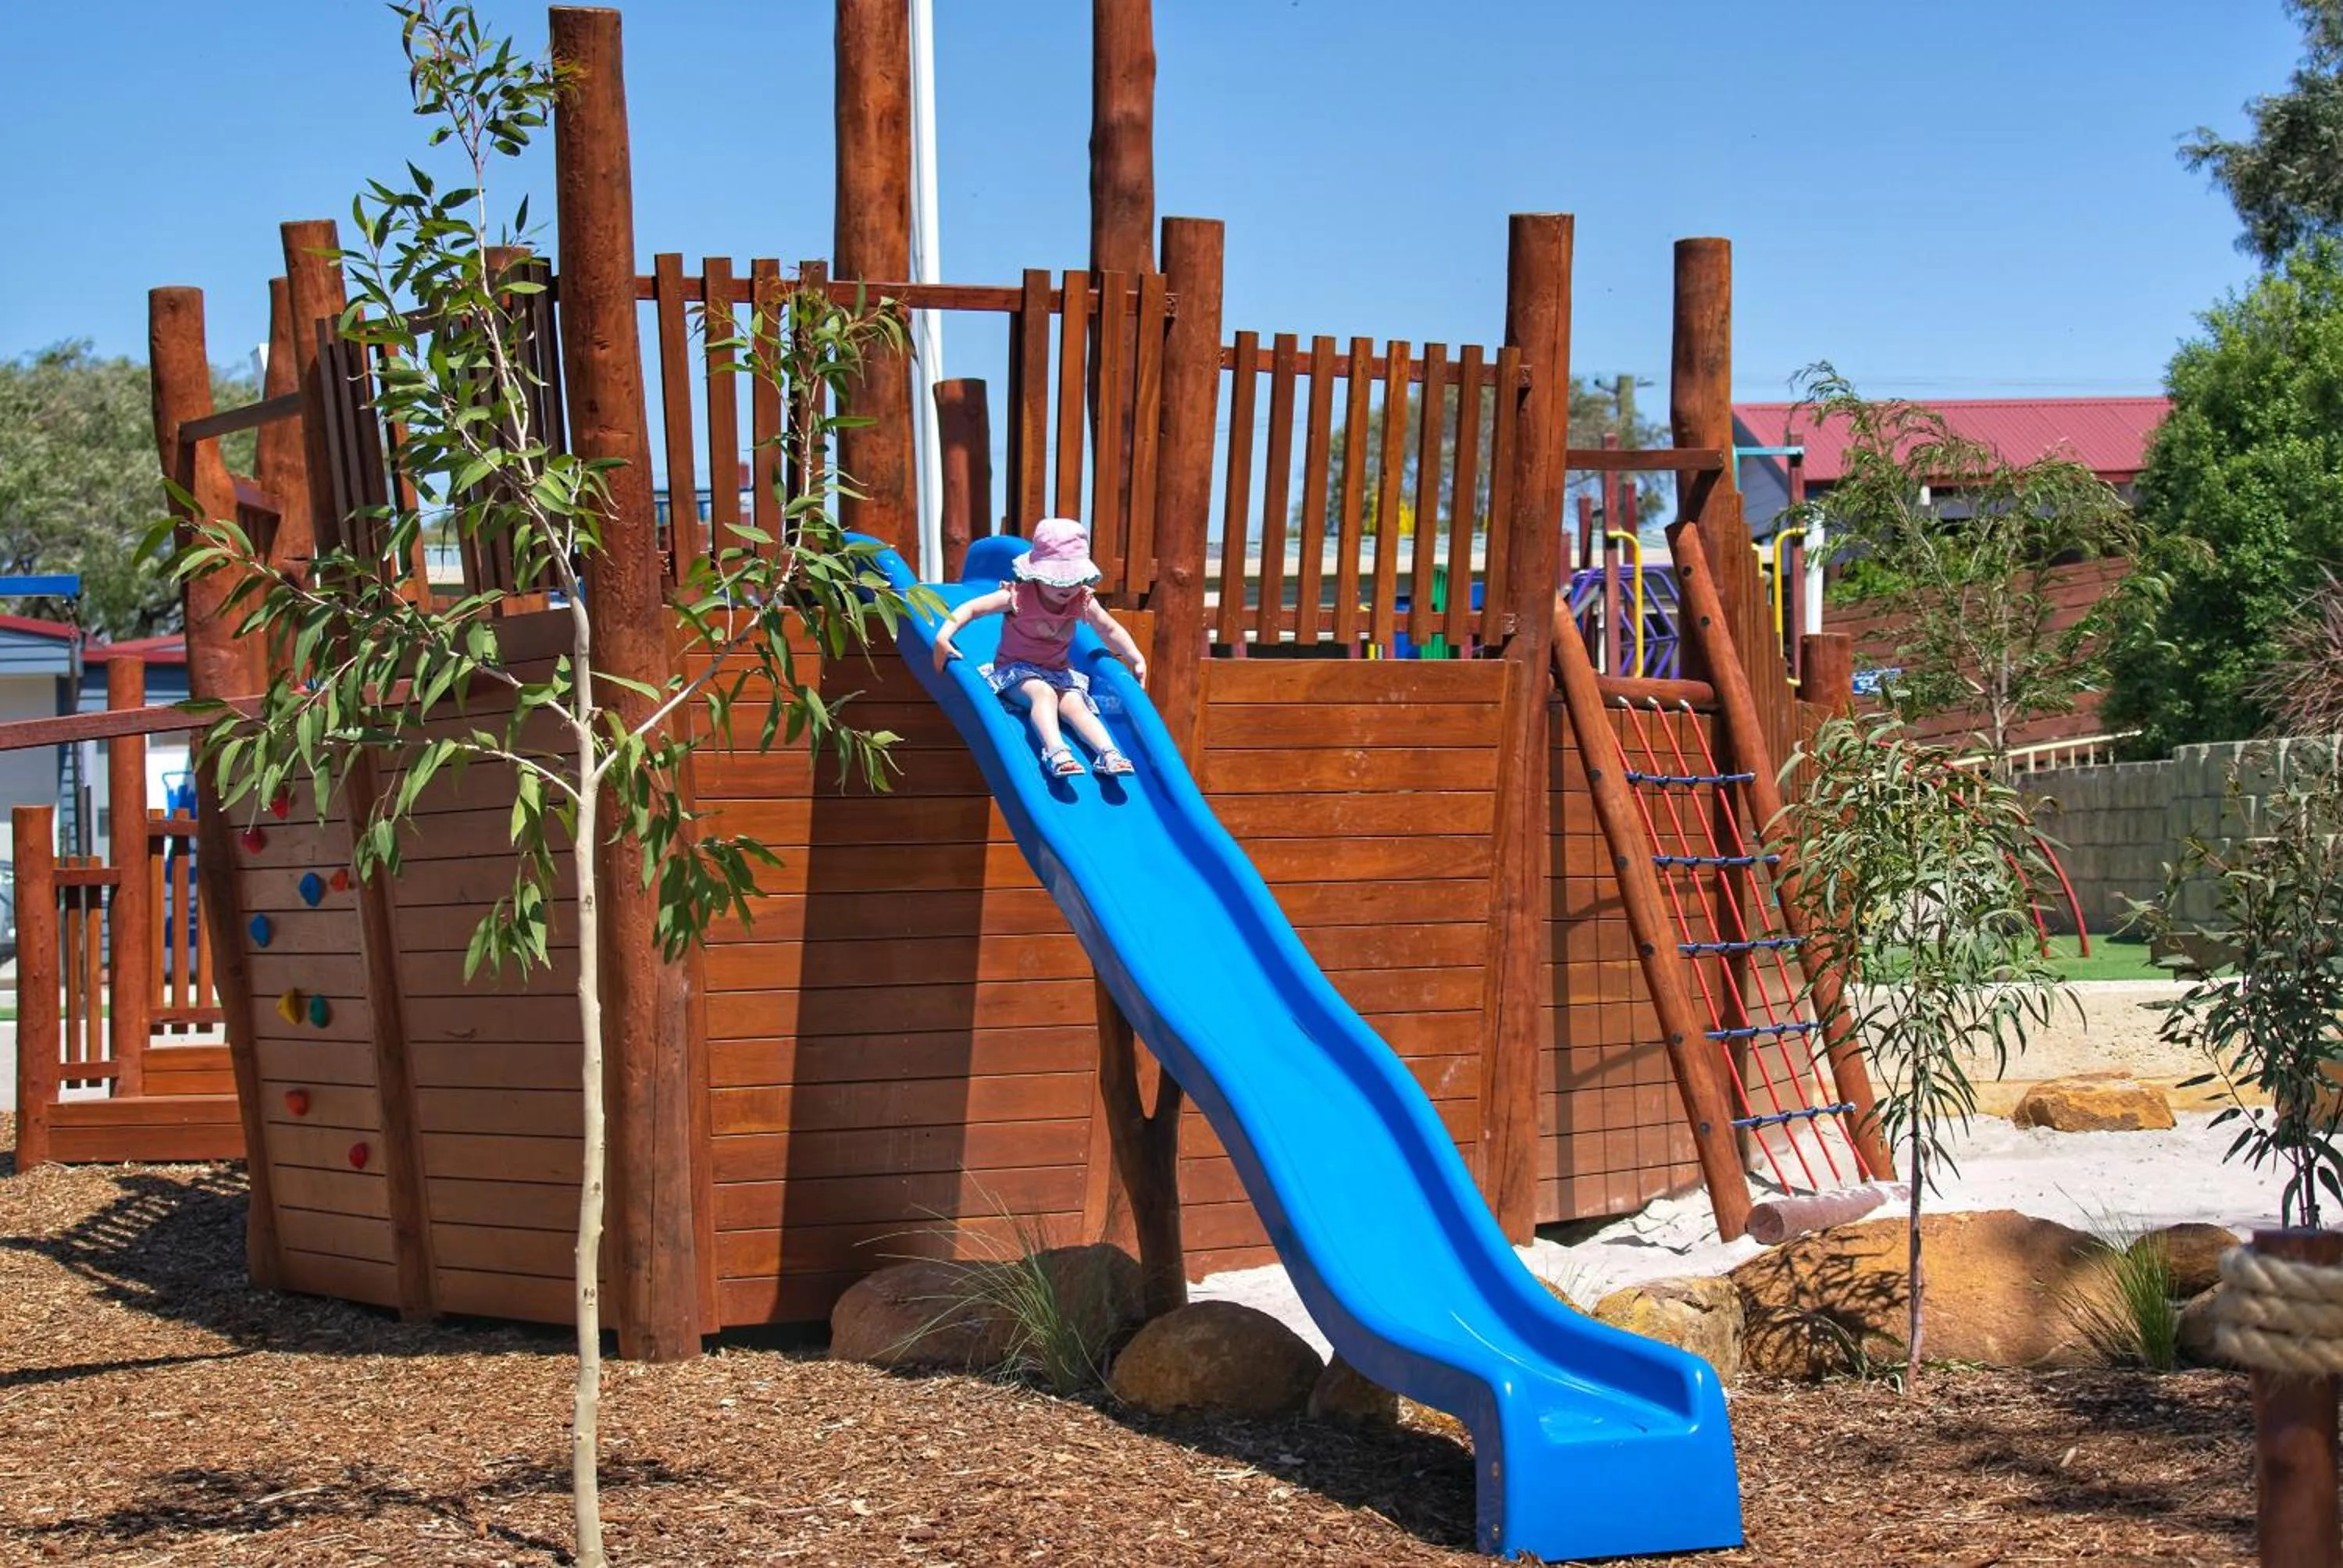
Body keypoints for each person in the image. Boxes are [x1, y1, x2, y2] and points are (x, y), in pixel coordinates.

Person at [931, 518, 1147, 777]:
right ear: (1037, 574)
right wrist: (943, 636)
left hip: (1059, 673)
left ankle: (1108, 753)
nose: (1067, 587)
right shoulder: (1019, 596)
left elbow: (1109, 629)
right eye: (1057, 580)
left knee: (1076, 705)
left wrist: (1135, 657)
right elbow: (972, 609)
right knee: (1043, 694)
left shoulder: (1082, 600)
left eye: (1074, 579)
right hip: (1015, 673)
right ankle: (1056, 752)